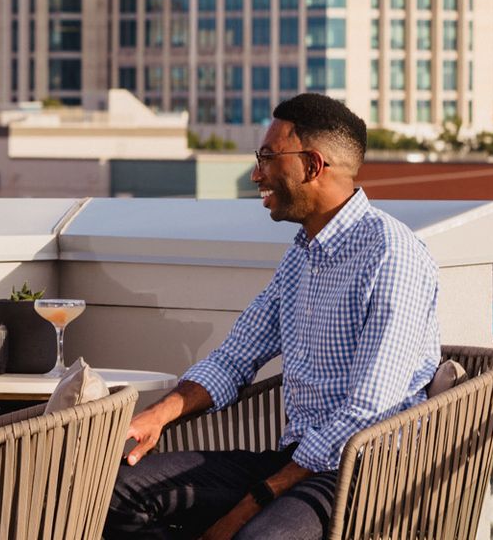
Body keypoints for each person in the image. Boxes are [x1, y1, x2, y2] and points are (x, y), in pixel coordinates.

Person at [106, 93, 441, 540]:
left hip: (365, 473)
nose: (256, 173)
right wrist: (158, 417)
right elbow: (234, 358)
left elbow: (367, 411)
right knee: (112, 493)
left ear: (313, 165)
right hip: (294, 459)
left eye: (267, 157)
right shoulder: (301, 256)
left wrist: (253, 502)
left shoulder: (391, 255)